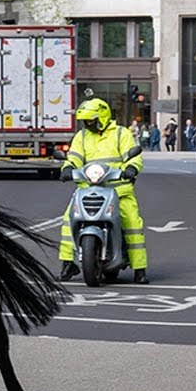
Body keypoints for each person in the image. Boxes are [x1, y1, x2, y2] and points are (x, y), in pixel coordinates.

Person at [58, 98, 149, 284]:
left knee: (131, 223)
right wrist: (67, 168)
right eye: (85, 121)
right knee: (68, 221)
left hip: (118, 189)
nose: (87, 124)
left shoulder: (120, 133)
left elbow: (133, 155)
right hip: (88, 188)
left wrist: (131, 168)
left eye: (91, 120)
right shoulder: (82, 136)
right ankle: (68, 263)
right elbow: (73, 157)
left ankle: (139, 268)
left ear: (102, 117)